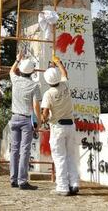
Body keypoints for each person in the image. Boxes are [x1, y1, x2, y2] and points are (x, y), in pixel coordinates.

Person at [41, 55, 79, 196]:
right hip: (70, 125)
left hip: (58, 127)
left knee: (59, 157)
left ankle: (62, 186)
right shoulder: (65, 85)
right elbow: (64, 73)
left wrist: (44, 117)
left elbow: (45, 113)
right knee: (71, 156)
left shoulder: (48, 94)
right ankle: (74, 183)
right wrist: (58, 62)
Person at [9, 51, 41, 190]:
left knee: (14, 150)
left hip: (14, 117)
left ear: (21, 70)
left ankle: (13, 179)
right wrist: (38, 122)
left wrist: (17, 59)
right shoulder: (35, 86)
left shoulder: (15, 79)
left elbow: (11, 70)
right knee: (24, 151)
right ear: (32, 72)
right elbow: (35, 106)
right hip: (26, 119)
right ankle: (22, 181)